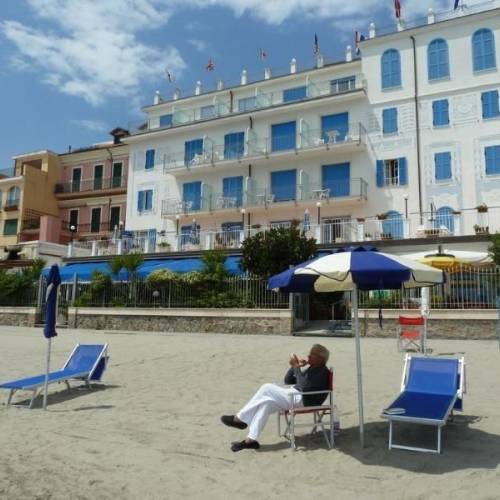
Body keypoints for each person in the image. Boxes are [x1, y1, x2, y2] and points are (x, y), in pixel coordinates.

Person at [221, 344, 330, 452]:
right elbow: (288, 380)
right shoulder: (313, 368)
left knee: (266, 388)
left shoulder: (322, 371)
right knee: (266, 404)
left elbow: (304, 387)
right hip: (296, 396)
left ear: (321, 359)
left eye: (312, 354)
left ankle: (239, 419)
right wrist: (294, 367)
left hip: (304, 400)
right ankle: (251, 440)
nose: (308, 356)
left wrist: (296, 367)